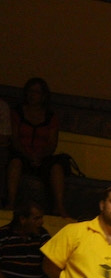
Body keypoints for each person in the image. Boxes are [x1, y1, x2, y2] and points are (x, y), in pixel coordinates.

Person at [6, 78, 68, 217]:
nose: (32, 95)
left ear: (43, 96)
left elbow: (52, 143)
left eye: (36, 92)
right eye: (30, 91)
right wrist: (27, 154)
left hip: (42, 157)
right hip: (22, 154)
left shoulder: (50, 117)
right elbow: (15, 138)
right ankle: (11, 202)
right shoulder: (17, 113)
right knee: (15, 163)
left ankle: (59, 206)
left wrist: (40, 156)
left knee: (57, 167)